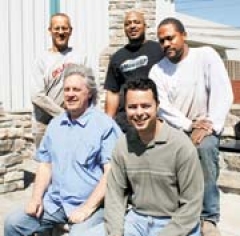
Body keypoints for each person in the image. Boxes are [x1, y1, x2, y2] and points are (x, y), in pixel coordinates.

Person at [4, 64, 121, 236]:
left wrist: (87, 208)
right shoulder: (55, 124)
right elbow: (46, 165)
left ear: (89, 93)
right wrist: (36, 199)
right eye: (67, 89)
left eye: (76, 89)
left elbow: (111, 173)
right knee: (13, 224)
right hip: (55, 203)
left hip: (92, 206)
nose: (70, 94)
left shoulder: (104, 125)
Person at [84, 78, 204, 236]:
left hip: (176, 223)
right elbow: (115, 196)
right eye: (132, 107)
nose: (139, 113)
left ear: (157, 106)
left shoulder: (181, 146)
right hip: (137, 220)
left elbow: (192, 206)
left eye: (146, 106)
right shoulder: (123, 146)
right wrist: (115, 232)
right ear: (125, 109)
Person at [149, 17, 233, 236]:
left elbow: (223, 92)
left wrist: (208, 126)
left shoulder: (205, 55)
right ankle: (173, 212)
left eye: (170, 38)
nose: (166, 44)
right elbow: (162, 106)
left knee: (204, 150)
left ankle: (208, 217)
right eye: (162, 41)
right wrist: (187, 124)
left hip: (206, 125)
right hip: (176, 127)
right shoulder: (157, 71)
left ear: (183, 35)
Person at [31, 13, 87, 148]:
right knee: (46, 166)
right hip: (45, 125)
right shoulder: (42, 60)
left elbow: (89, 88)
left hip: (74, 124)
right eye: (57, 28)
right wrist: (63, 114)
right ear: (50, 31)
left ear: (70, 31)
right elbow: (37, 96)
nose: (61, 32)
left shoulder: (80, 57)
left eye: (64, 28)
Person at [104, 10, 163, 132]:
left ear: (145, 26)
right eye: (128, 23)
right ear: (124, 29)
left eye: (137, 22)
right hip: (127, 118)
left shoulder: (158, 50)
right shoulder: (117, 57)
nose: (132, 26)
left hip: (155, 114)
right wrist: (108, 122)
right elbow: (112, 92)